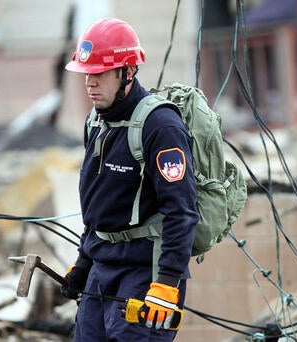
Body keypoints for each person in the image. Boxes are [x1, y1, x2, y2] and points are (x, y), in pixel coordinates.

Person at [59, 18, 199, 341]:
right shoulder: (95, 123)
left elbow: (182, 212)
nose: (90, 83)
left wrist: (167, 283)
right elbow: (99, 208)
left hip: (144, 272)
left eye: (100, 73)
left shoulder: (161, 127)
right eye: (86, 74)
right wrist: (82, 264)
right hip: (101, 268)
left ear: (128, 71)